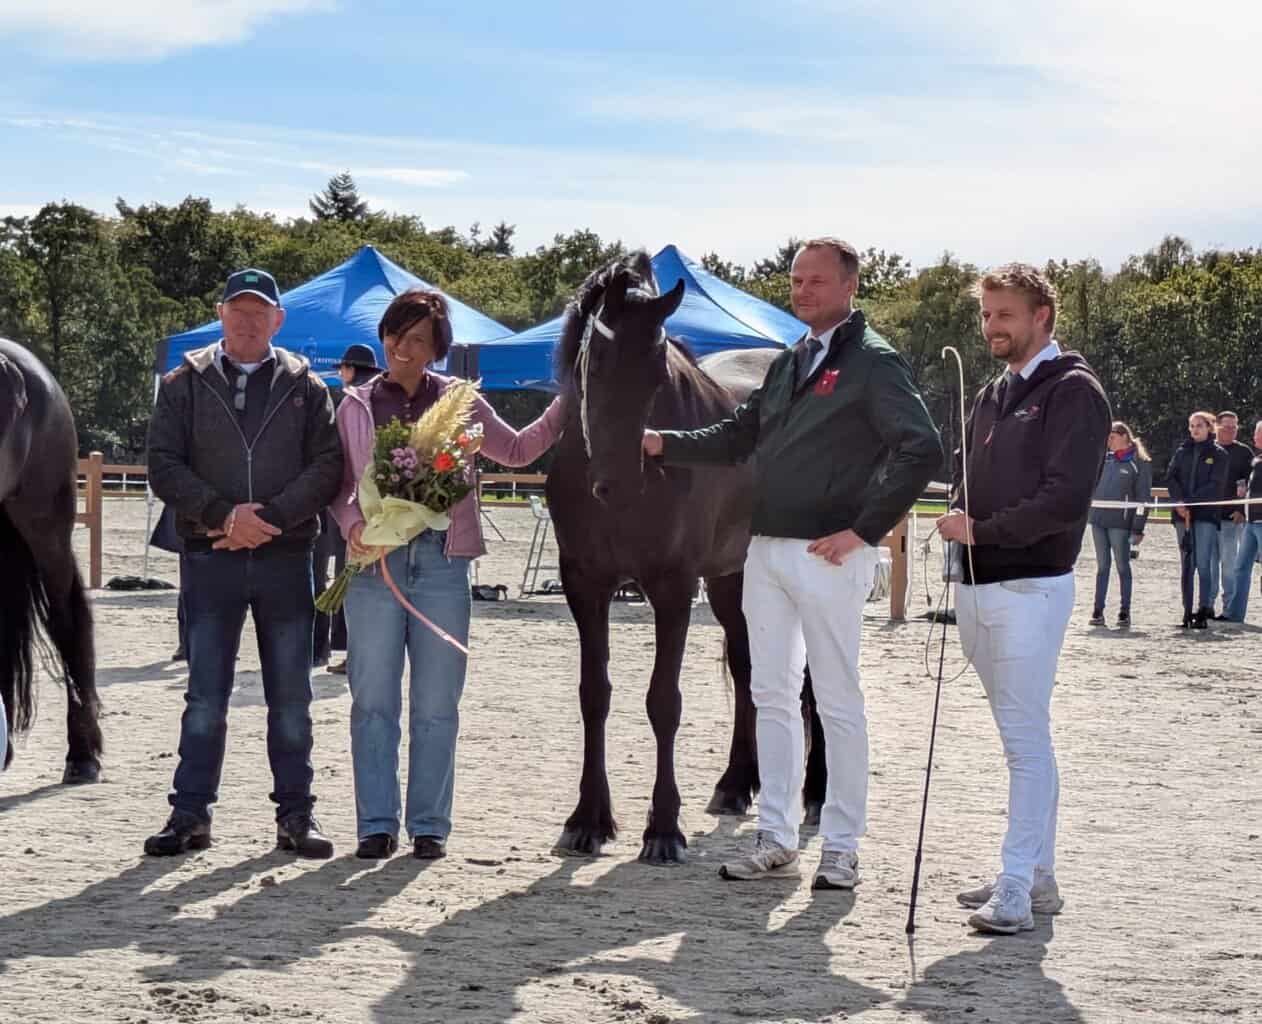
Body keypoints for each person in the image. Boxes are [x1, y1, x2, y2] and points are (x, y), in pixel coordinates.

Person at [643, 238, 942, 890]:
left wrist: (863, 529)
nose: (801, 290)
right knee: (771, 694)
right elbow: (734, 436)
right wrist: (664, 443)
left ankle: (841, 846)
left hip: (828, 555)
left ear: (849, 287)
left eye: (815, 281)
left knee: (836, 697)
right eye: (796, 280)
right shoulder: (788, 363)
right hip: (764, 550)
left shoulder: (873, 362)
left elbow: (921, 447)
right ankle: (775, 836)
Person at [331, 289, 566, 861]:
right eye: (395, 334)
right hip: (372, 567)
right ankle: (376, 825)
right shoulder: (354, 405)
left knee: (438, 704)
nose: (401, 347)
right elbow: (337, 485)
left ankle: (430, 825)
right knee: (372, 701)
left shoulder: (462, 401)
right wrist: (352, 523)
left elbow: (514, 451)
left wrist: (567, 403)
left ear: (436, 349)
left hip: (442, 564)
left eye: (416, 339)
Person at [145, 268, 344, 858]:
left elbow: (327, 466)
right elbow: (163, 463)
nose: (249, 321)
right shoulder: (183, 382)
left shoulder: (309, 388)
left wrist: (271, 519)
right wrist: (225, 516)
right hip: (211, 560)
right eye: (238, 310)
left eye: (260, 312)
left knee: (292, 696)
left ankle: (295, 816)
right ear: (220, 313)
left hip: (286, 559)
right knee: (205, 696)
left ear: (279, 320)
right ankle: (189, 816)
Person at [939, 263, 1110, 935]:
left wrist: (985, 529)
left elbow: (1065, 499)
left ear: (1043, 315)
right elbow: (966, 473)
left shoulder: (1074, 391)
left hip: (1033, 583)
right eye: (986, 315)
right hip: (979, 584)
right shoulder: (991, 393)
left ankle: (1015, 882)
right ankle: (1036, 877)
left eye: (1005, 314)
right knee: (1021, 736)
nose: (992, 327)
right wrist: (960, 509)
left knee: (1025, 739)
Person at [319, 343, 384, 675]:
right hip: (372, 503)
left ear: (352, 369)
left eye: (343, 368)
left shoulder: (353, 403)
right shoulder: (378, 399)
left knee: (356, 583)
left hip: (356, 506)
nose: (341, 374)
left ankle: (355, 651)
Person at [1166, 411, 1228, 629]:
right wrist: (1179, 501)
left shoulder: (1218, 454)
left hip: (1204, 515)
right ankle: (1186, 610)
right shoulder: (1182, 451)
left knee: (1203, 563)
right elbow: (1171, 477)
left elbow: (1215, 485)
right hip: (1182, 515)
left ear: (1209, 427)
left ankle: (1203, 608)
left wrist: (1190, 501)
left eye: (1199, 426)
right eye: (1191, 426)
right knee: (1187, 565)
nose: (1194, 430)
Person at [1087, 421, 1152, 627]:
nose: (1108, 440)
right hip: (1098, 520)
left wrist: (1138, 527)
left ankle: (1124, 611)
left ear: (1124, 436)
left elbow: (1143, 497)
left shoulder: (1139, 463)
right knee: (1102, 567)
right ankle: (1098, 610)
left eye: (1112, 435)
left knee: (1123, 566)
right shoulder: (1103, 460)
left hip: (1121, 523)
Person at [1212, 411, 1255, 618]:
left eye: (1234, 427)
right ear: (1217, 427)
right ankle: (1207, 606)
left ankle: (1229, 608)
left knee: (1229, 565)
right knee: (1208, 565)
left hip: (1231, 518)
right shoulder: (1208, 448)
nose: (1231, 430)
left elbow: (1250, 485)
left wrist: (1240, 510)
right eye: (1227, 426)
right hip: (1207, 518)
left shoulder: (1244, 453)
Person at [1225, 419, 1262, 622]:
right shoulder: (1257, 460)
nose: (1254, 437)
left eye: (1258, 433)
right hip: (1251, 522)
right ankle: (1235, 614)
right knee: (1241, 568)